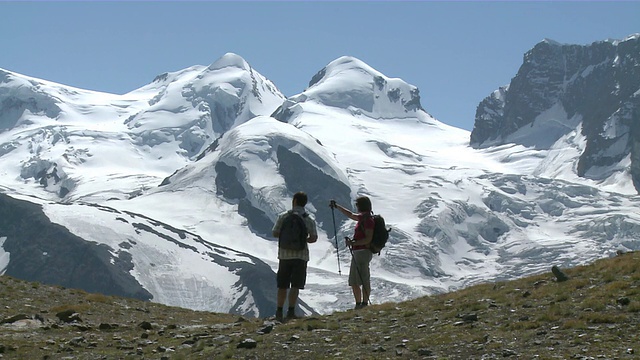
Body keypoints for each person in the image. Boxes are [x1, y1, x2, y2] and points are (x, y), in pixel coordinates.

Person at [272, 191, 318, 322]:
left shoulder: (283, 216)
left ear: (294, 201)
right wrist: (303, 239)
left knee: (282, 285)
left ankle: (279, 311)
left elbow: (275, 233)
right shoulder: (308, 219)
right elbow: (313, 238)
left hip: (284, 255)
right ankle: (291, 311)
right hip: (301, 256)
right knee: (295, 285)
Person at [330, 196, 374, 309]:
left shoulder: (368, 220)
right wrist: (337, 206)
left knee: (361, 278)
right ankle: (360, 303)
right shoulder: (364, 218)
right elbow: (350, 215)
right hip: (360, 252)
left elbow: (368, 239)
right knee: (357, 279)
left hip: (362, 252)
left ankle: (362, 304)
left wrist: (353, 243)